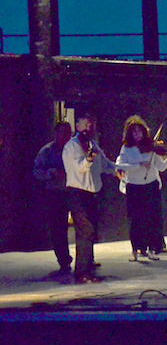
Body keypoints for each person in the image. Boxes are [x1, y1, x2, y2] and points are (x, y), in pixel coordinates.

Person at [61, 111, 118, 283]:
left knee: (92, 230)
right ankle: (81, 272)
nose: (89, 127)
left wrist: (117, 170)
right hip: (78, 193)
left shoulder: (92, 144)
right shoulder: (71, 146)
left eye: (91, 124)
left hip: (92, 194)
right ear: (77, 127)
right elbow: (79, 168)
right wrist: (88, 159)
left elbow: (104, 164)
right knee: (85, 231)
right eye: (85, 125)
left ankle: (88, 264)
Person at [115, 116, 167, 262]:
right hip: (134, 187)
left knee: (152, 219)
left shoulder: (152, 147)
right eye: (134, 133)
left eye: (140, 132)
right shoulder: (126, 149)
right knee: (135, 220)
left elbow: (160, 167)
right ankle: (136, 249)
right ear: (129, 134)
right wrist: (139, 165)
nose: (138, 135)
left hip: (151, 185)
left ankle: (153, 249)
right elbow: (121, 166)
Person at [33, 121, 74, 278]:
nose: (65, 136)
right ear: (56, 133)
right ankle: (64, 260)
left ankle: (87, 259)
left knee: (85, 227)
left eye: (68, 133)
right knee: (58, 228)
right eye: (62, 133)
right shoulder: (47, 151)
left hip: (75, 191)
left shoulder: (75, 149)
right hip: (55, 193)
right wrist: (51, 173)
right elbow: (36, 171)